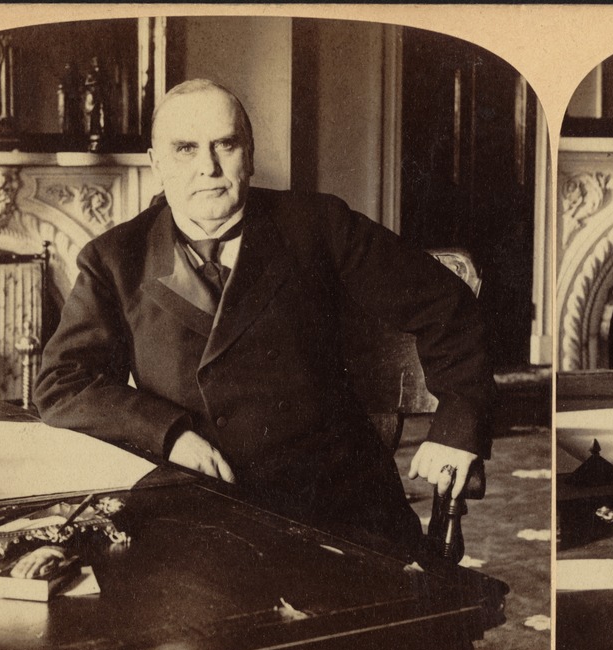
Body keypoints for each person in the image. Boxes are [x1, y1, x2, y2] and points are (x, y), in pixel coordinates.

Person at [34, 79, 493, 557]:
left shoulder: (318, 224)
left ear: (249, 155)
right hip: (194, 505)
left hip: (337, 507)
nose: (208, 168)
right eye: (185, 149)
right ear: (156, 164)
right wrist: (169, 434)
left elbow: (448, 303)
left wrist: (459, 425)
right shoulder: (114, 258)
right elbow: (63, 383)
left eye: (225, 145)